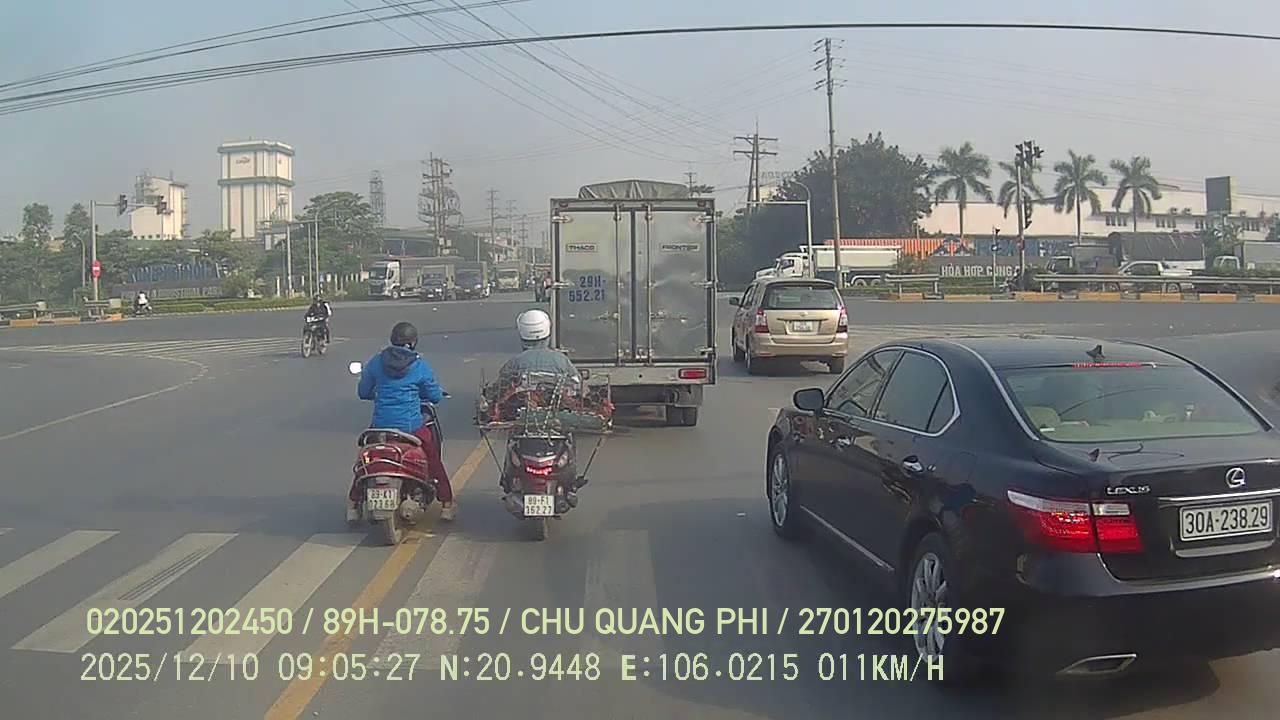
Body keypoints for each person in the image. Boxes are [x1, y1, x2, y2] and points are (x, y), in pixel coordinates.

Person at [352, 321, 456, 521]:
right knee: (433, 458)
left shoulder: (376, 362)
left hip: (380, 427)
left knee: (365, 460)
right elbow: (434, 396)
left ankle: (353, 503)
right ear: (413, 342)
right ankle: (446, 503)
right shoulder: (419, 365)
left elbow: (363, 392)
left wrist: (379, 392)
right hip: (411, 428)